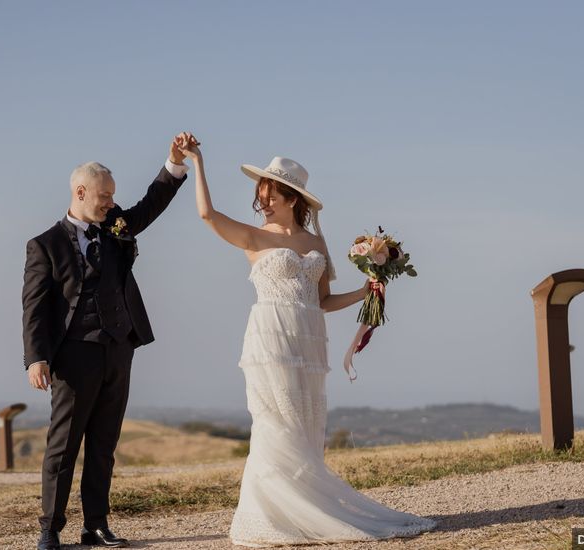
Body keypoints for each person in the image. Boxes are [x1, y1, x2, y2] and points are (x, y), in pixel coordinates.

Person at [178, 136, 437, 547]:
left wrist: (369, 291)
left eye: (271, 194)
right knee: (274, 423)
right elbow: (207, 214)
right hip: (271, 336)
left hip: (310, 339)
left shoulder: (316, 244)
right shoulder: (253, 237)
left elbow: (324, 301)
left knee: (305, 424)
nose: (263, 201)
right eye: (260, 194)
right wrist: (198, 163)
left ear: (293, 198)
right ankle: (272, 514)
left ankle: (304, 511)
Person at [22, 133, 191, 549]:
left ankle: (95, 524)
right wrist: (36, 359)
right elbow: (35, 308)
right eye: (104, 196)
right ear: (80, 192)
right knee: (63, 447)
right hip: (73, 356)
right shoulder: (45, 245)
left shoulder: (116, 227)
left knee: (104, 444)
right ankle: (50, 529)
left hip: (119, 349)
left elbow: (152, 204)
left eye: (113, 196)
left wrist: (173, 163)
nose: (112, 203)